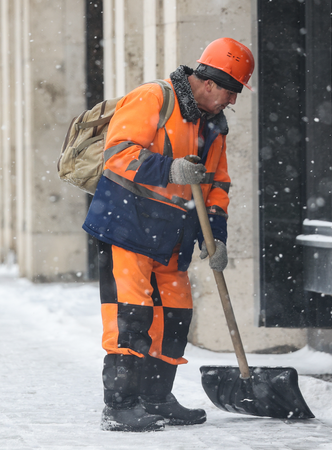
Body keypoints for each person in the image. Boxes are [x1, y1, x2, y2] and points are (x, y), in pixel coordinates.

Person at [82, 37, 255, 431]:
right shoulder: (153, 99)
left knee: (176, 315)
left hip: (171, 236)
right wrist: (171, 170)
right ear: (210, 82)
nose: (232, 101)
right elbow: (119, 154)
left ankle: (156, 399)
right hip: (127, 226)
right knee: (132, 316)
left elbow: (217, 183)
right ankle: (120, 405)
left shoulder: (213, 125)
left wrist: (219, 235)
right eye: (231, 92)